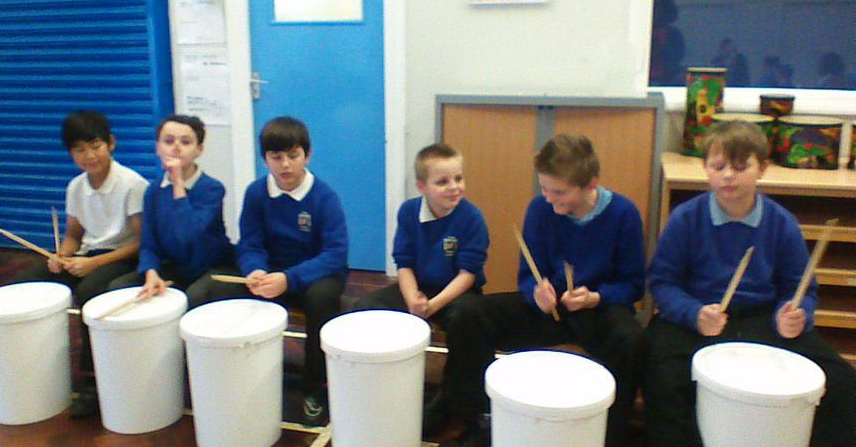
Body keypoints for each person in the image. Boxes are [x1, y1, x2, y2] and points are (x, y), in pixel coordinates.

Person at [644, 121, 856, 447]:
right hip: (698, 317)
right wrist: (694, 313)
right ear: (706, 169)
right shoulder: (686, 218)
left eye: (741, 167)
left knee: (840, 380)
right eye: (718, 167)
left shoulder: (780, 222)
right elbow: (663, 282)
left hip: (763, 318)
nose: (728, 175)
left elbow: (800, 286)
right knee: (662, 373)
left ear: (762, 169)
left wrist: (795, 315)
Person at [449, 134, 647, 446]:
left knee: (632, 341)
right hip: (549, 309)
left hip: (599, 310)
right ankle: (479, 416)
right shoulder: (540, 208)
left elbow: (633, 286)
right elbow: (528, 276)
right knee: (468, 313)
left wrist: (596, 297)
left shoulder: (623, 213)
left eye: (559, 192)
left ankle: (609, 435)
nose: (549, 198)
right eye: (544, 188)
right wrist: (536, 293)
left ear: (590, 184)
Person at [189, 116, 348, 426]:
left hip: (315, 273)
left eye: (293, 155)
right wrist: (255, 270)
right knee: (218, 290)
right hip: (271, 271)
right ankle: (239, 376)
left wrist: (289, 279)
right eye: (276, 157)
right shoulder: (256, 193)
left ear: (307, 155)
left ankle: (315, 389)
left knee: (322, 300)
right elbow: (250, 243)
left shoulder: (324, 196)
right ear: (265, 159)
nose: (285, 164)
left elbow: (335, 253)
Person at [17, 110, 148, 417]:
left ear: (111, 143)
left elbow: (141, 244)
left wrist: (94, 263)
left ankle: (92, 381)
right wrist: (61, 255)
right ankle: (38, 369)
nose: (89, 155)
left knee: (90, 292)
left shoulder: (133, 184)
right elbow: (74, 235)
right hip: (89, 255)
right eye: (79, 149)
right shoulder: (76, 186)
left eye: (95, 146)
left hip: (123, 257)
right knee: (28, 282)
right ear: (71, 153)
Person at [353, 143, 489, 437]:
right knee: (364, 310)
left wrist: (433, 305)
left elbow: (468, 274)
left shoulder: (472, 218)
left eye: (459, 178)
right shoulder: (408, 212)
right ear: (422, 187)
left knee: (469, 319)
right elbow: (403, 263)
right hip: (419, 286)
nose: (454, 187)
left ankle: (452, 401)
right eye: (442, 181)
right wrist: (412, 298)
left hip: (457, 291)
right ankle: (381, 385)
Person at [108, 114, 233, 306]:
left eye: (185, 142)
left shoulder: (212, 189)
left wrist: (178, 185)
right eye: (168, 141)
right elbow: (149, 243)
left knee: (194, 297)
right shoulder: (153, 190)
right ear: (158, 148)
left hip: (209, 267)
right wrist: (151, 272)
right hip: (173, 267)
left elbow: (188, 235)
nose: (176, 147)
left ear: (199, 149)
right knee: (119, 288)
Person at [650, 0, 686, 86]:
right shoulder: (645, 34)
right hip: (647, 77)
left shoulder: (674, 34)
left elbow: (678, 56)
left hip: (668, 78)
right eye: (658, 12)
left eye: (664, 13)